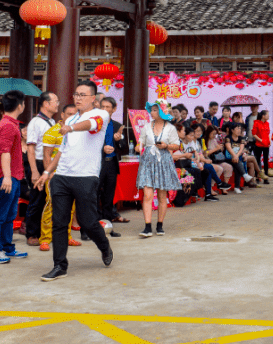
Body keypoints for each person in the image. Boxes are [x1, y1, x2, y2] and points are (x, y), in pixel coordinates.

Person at [34, 81, 113, 282]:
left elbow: (91, 125)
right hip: (62, 176)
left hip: (86, 176)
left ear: (93, 98)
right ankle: (60, 265)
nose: (78, 98)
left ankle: (104, 246)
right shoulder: (72, 117)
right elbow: (62, 151)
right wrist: (47, 172)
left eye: (82, 95)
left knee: (88, 222)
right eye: (76, 94)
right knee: (59, 222)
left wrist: (70, 127)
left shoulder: (100, 114)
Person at [0, 90, 27, 264]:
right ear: (20, 106)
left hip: (12, 176)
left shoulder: (11, 124)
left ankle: (7, 247)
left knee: (9, 216)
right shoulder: (8, 126)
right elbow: (5, 153)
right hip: (5, 178)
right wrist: (7, 177)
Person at [38, 102, 79, 252]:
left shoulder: (77, 131)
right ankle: (45, 239)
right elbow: (46, 155)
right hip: (55, 176)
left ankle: (67, 237)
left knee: (70, 208)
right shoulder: (52, 132)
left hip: (72, 174)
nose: (72, 117)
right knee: (50, 206)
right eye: (69, 114)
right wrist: (49, 175)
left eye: (75, 115)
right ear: (62, 115)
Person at [136, 101, 178, 238]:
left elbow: (176, 145)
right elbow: (141, 142)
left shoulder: (170, 128)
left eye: (155, 110)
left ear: (162, 112)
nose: (152, 112)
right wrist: (138, 147)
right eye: (152, 110)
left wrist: (166, 146)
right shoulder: (146, 126)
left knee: (161, 196)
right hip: (148, 161)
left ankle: (160, 225)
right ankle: (147, 226)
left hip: (163, 161)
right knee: (147, 195)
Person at [25, 92, 59, 246]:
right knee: (37, 199)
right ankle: (32, 233)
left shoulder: (51, 121)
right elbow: (30, 148)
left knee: (48, 199)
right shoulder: (35, 122)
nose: (57, 104)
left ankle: (45, 232)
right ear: (46, 103)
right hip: (38, 163)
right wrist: (34, 171)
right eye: (55, 101)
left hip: (50, 163)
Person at [97, 97, 129, 231]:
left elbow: (124, 147)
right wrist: (102, 149)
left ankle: (108, 226)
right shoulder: (95, 125)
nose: (104, 109)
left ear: (114, 109)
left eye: (107, 107)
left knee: (109, 196)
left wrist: (118, 140)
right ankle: (94, 226)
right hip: (98, 164)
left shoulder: (117, 126)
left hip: (111, 165)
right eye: (102, 107)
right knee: (95, 195)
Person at [252, 110, 271, 179]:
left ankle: (266, 176)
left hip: (266, 145)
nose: (268, 116)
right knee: (257, 160)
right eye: (267, 115)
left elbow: (268, 133)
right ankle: (257, 176)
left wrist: (269, 141)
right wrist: (261, 140)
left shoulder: (267, 123)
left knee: (266, 161)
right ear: (263, 116)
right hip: (258, 144)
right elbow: (254, 134)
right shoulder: (256, 123)